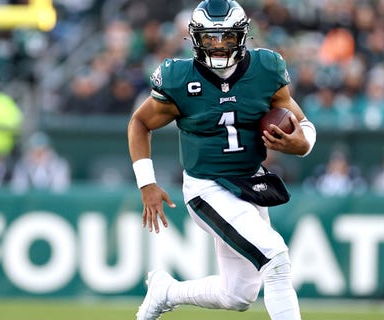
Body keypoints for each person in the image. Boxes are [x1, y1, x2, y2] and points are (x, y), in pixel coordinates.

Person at [126, 1, 316, 319]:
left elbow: (303, 125)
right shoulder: (179, 77)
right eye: (210, 37)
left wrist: (302, 143)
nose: (217, 44)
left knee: (238, 294)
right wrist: (147, 183)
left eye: (226, 36)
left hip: (250, 182)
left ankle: (166, 291)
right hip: (208, 188)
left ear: (242, 36)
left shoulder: (266, 70)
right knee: (276, 257)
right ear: (195, 39)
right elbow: (139, 122)